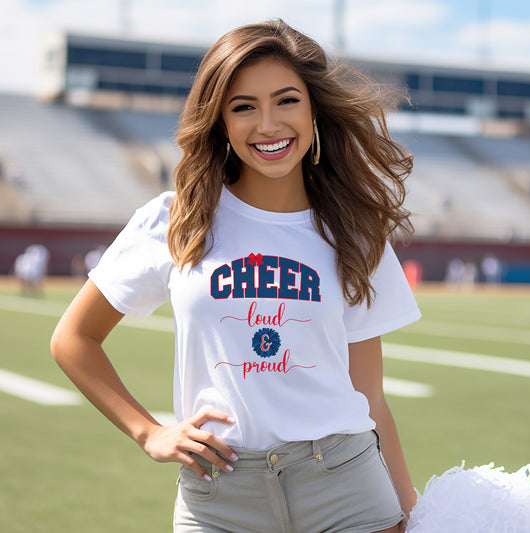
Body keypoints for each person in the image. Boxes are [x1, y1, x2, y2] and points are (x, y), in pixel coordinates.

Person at [51, 19, 421, 533]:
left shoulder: (355, 230)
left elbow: (370, 396)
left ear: (315, 109)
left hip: (347, 488)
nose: (268, 124)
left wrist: (409, 511)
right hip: (219, 496)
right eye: (243, 107)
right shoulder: (177, 219)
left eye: (287, 100)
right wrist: (149, 433)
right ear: (220, 121)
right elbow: (74, 338)